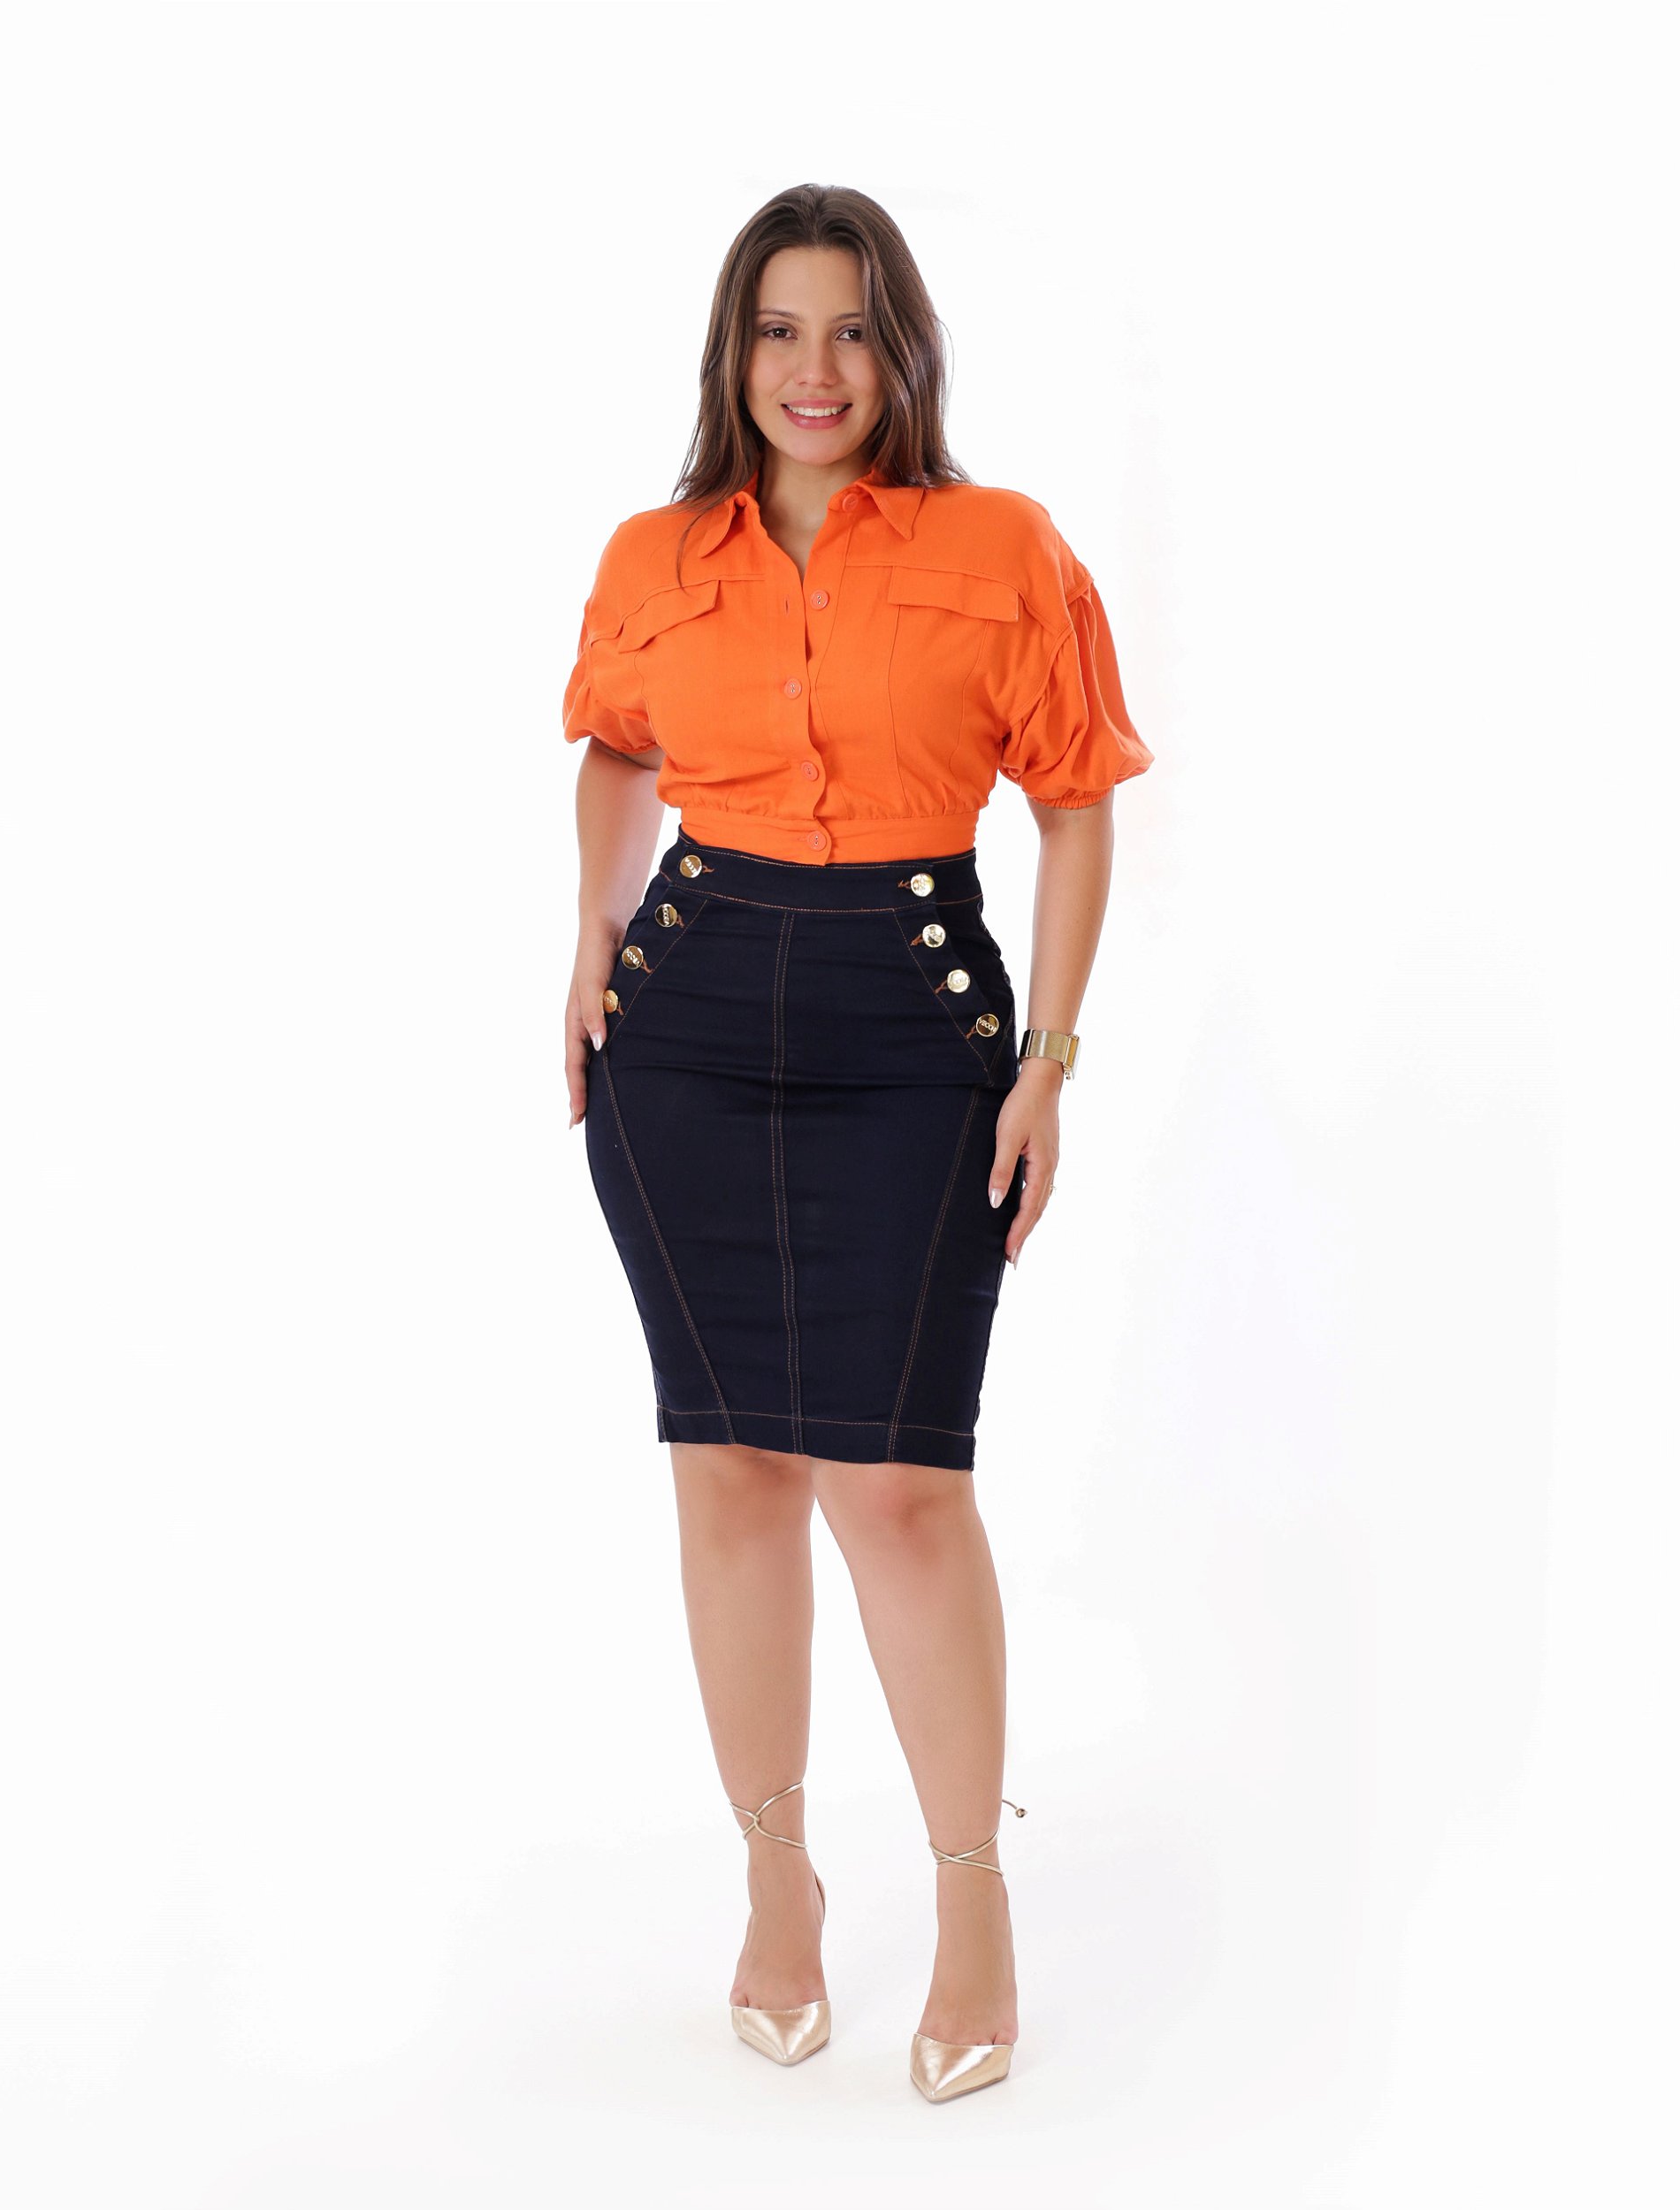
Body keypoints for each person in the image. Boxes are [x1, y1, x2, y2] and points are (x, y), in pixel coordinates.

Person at [560, 183, 1152, 2104]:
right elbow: (618, 748)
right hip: (686, 1027)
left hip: (914, 1022)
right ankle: (776, 1874)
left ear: (901, 350)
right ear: (732, 355)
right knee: (729, 1462)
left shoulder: (1003, 545)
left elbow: (1073, 800)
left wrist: (1047, 1059)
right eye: (776, 330)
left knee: (899, 1481)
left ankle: (973, 1898)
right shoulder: (657, 553)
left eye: (846, 330)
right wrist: (590, 939)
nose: (811, 370)